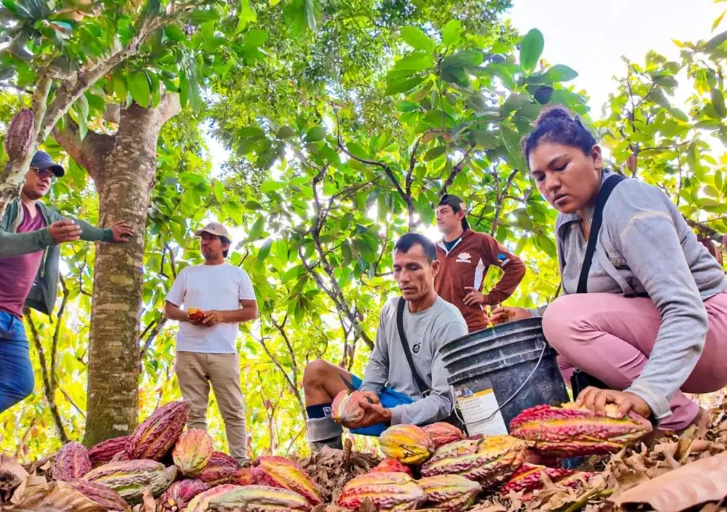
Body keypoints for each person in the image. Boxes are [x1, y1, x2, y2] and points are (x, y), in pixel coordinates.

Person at [491, 106, 727, 433]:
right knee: (541, 352)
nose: (552, 184)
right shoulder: (568, 224)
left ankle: (684, 421)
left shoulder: (630, 201)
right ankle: (564, 439)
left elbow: (684, 308)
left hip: (711, 332)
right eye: (540, 177)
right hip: (664, 338)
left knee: (559, 320)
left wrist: (648, 393)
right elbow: (591, 304)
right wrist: (531, 314)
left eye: (560, 166)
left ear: (596, 157)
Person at [0, 150, 133, 448]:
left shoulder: (45, 214)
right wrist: (46, 237)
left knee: (19, 383)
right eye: (40, 171)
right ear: (20, 170)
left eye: (50, 176)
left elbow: (77, 226)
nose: (46, 178)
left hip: (12, 317)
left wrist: (106, 234)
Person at [302, 233, 468, 451]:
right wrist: (368, 394)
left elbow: (443, 402)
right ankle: (328, 458)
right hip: (387, 403)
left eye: (413, 267)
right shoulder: (392, 309)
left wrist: (391, 415)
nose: (404, 278)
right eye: (398, 269)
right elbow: (379, 361)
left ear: (434, 268)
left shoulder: (449, 322)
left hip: (425, 420)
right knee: (316, 371)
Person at [164, 222, 258, 463]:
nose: (204, 242)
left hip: (223, 352)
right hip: (189, 350)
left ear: (225, 245)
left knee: (233, 410)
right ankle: (197, 463)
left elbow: (251, 311)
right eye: (202, 238)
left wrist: (221, 315)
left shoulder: (237, 274)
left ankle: (240, 462)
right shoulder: (188, 273)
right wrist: (189, 316)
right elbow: (169, 309)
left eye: (211, 238)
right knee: (194, 414)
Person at [434, 194, 526, 332]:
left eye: (444, 211)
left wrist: (490, 297)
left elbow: (516, 266)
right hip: (439, 329)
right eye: (437, 213)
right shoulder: (432, 249)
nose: (438, 217)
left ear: (460, 214)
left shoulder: (480, 242)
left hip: (471, 327)